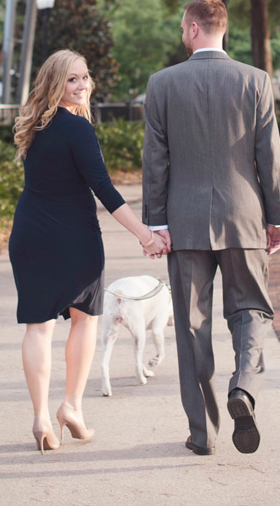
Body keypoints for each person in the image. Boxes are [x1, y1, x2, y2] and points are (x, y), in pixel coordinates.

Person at [142, 0, 280, 457]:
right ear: (223, 29)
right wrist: (276, 216)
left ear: (191, 30)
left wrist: (157, 222)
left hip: (184, 224)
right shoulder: (256, 81)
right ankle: (243, 386)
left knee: (191, 327)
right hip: (244, 218)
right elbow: (270, 157)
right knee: (251, 311)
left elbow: (155, 160)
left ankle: (203, 434)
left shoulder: (162, 84)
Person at [9, 49, 168, 455]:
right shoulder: (77, 129)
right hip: (74, 238)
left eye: (84, 78)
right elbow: (105, 190)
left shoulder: (33, 126)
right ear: (55, 84)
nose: (82, 86)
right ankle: (71, 407)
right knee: (84, 319)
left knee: (38, 326)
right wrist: (146, 236)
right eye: (72, 80)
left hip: (29, 233)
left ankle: (42, 417)